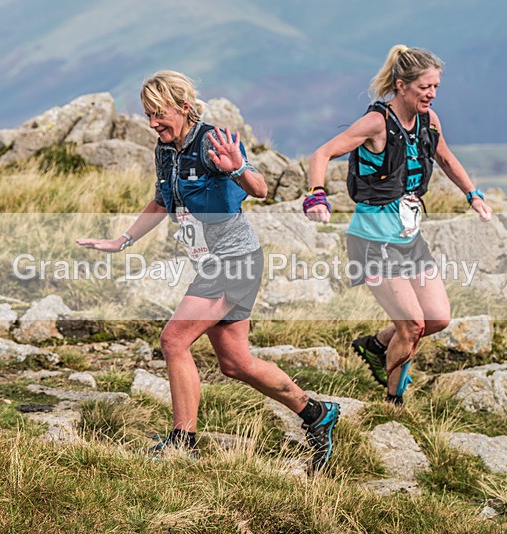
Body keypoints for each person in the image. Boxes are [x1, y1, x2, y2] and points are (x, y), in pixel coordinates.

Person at [77, 70, 339, 471]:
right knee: (236, 364)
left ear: (184, 107)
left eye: (158, 114)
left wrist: (236, 168)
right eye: (147, 115)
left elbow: (259, 188)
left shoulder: (213, 140)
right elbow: (162, 202)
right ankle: (317, 414)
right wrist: (122, 240)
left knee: (174, 340)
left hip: (234, 262)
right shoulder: (165, 149)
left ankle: (183, 442)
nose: (152, 123)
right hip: (211, 263)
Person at [304, 46, 492, 405]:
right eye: (425, 87)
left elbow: (447, 158)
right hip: (373, 241)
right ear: (402, 85)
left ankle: (375, 346)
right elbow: (322, 153)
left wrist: (473, 195)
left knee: (437, 319)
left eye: (436, 87)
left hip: (408, 238)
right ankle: (394, 403)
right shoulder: (376, 122)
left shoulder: (429, 120)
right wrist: (316, 194)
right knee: (412, 327)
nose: (432, 94)